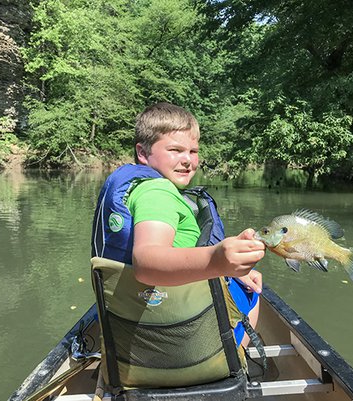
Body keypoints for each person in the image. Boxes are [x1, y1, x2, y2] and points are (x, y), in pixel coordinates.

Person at [92, 102, 265, 350]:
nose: (187, 161)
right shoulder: (158, 192)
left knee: (244, 278)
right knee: (252, 293)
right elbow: (147, 263)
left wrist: (227, 268)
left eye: (193, 151)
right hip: (177, 339)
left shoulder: (139, 187)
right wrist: (218, 261)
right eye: (175, 150)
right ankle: (235, 364)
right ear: (142, 152)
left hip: (140, 326)